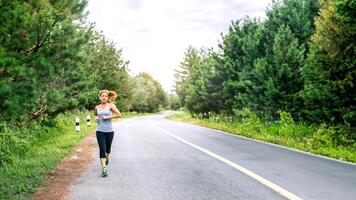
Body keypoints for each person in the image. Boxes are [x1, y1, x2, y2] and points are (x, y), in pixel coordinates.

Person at [95, 90, 121, 177]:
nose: (104, 97)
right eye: (102, 96)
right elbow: (95, 115)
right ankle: (104, 168)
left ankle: (107, 157)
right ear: (100, 97)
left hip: (109, 131)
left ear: (107, 97)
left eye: (106, 96)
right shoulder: (97, 107)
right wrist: (96, 119)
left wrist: (108, 117)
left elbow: (119, 114)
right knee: (102, 148)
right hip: (100, 130)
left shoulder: (111, 105)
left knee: (108, 149)